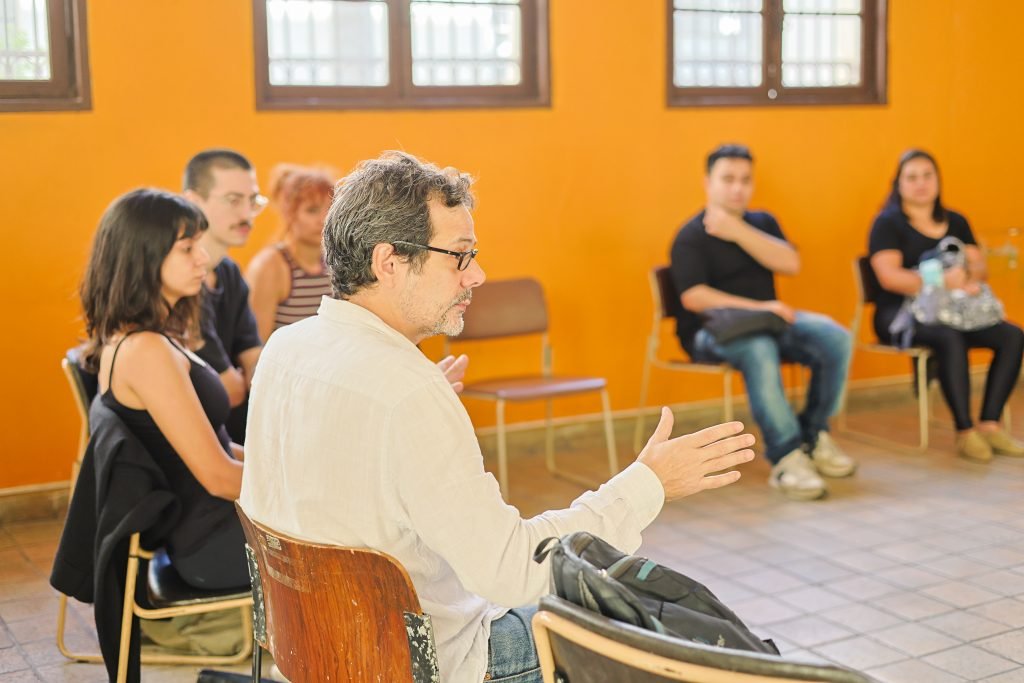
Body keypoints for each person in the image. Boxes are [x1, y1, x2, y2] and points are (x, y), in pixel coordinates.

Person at [239, 151, 756, 683]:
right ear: (388, 262)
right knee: (667, 632)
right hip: (422, 663)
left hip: (314, 653)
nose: (477, 275)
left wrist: (405, 410)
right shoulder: (404, 392)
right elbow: (514, 571)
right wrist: (649, 484)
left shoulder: (286, 348)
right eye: (459, 256)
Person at [79, 188, 248, 590]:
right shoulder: (145, 352)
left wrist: (286, 463)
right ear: (144, 256)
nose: (203, 259)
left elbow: (221, 447)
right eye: (187, 248)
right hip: (216, 543)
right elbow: (220, 478)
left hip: (221, 527)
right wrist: (309, 484)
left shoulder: (151, 337)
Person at [669, 144, 855, 501]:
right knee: (759, 348)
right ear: (708, 182)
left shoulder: (762, 222)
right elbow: (694, 297)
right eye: (728, 179)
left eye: (745, 180)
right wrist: (759, 307)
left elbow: (790, 263)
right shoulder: (690, 236)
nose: (737, 188)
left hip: (769, 321)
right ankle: (786, 456)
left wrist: (737, 231)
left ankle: (814, 436)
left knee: (835, 337)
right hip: (713, 332)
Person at [868, 149, 1024, 462]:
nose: (921, 184)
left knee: (1012, 335)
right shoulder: (887, 224)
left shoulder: (956, 221)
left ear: (938, 181)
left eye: (927, 176)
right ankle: (965, 431)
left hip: (957, 311)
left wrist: (966, 275)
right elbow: (889, 277)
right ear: (898, 184)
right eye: (912, 177)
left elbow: (980, 267)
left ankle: (990, 424)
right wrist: (938, 281)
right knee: (948, 338)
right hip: (902, 313)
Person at [182, 149, 264, 443]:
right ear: (193, 202)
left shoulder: (229, 273)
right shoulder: (176, 283)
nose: (246, 214)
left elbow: (253, 355)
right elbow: (229, 390)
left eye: (252, 201)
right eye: (233, 200)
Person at [246, 163, 335, 342]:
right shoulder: (271, 266)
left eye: (331, 209)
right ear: (289, 213)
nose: (324, 219)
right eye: (312, 210)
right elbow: (255, 346)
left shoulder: (335, 263)